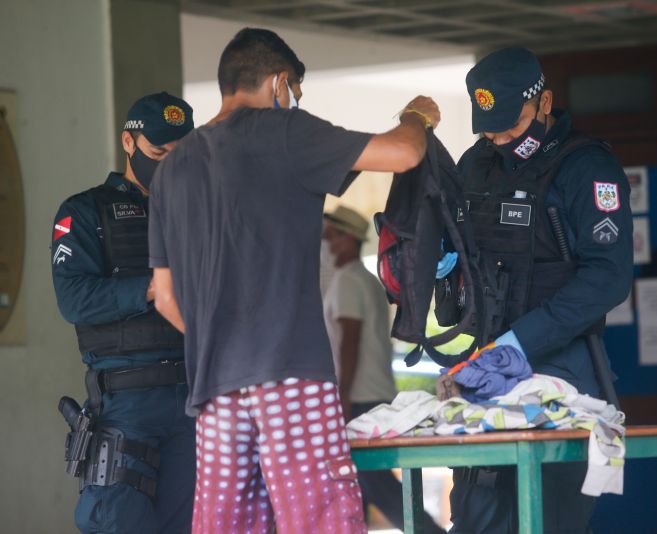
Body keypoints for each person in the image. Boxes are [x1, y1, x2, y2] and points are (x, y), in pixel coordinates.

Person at [146, 28, 440, 533]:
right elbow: (404, 154)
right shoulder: (285, 130)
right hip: (294, 378)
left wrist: (220, 342)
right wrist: (419, 116)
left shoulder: (172, 169)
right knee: (321, 518)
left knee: (228, 525)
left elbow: (164, 296)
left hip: (215, 390)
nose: (296, 102)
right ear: (279, 82)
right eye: (296, 92)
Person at [446, 47, 633, 533]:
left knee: (549, 522)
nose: (502, 139)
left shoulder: (585, 167)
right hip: (480, 370)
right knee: (475, 518)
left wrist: (517, 345)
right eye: (490, 130)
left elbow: (608, 276)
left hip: (561, 372)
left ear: (544, 102)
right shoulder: (475, 164)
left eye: (512, 125)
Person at [50, 92, 195, 533]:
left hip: (194, 398)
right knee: (119, 524)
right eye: (158, 152)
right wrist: (154, 287)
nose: (169, 163)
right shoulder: (85, 211)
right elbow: (73, 299)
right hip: (127, 404)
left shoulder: (197, 214)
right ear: (129, 143)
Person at [321, 205, 446, 534]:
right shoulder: (363, 279)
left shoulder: (348, 281)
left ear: (348, 240)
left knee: (374, 484)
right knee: (357, 485)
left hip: (359, 395)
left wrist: (341, 399)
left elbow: (349, 344)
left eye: (332, 236)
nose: (328, 243)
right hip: (372, 391)